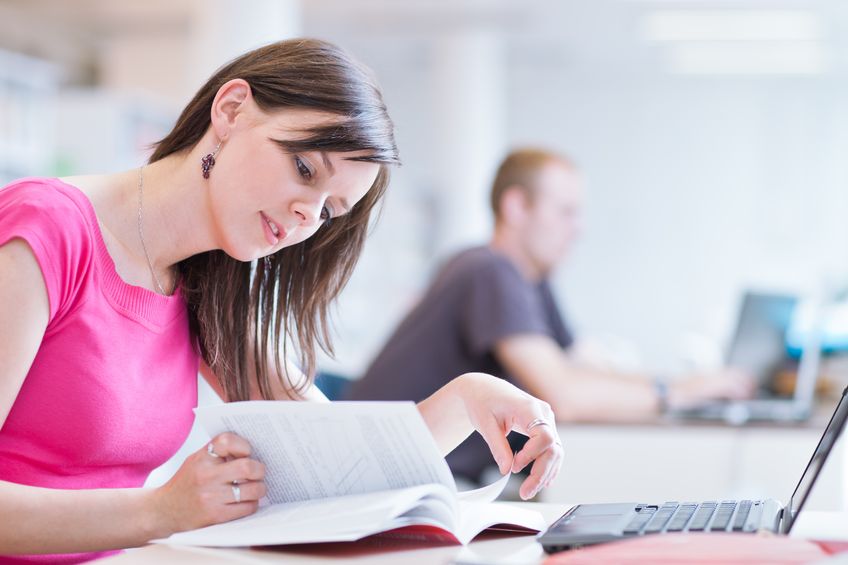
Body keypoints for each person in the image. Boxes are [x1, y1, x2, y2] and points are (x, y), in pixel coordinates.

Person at [0, 40, 562, 563]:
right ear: (232, 109)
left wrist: (467, 398)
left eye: (329, 209)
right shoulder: (46, 230)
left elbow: (345, 467)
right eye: (303, 169)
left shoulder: (206, 285)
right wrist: (159, 510)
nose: (306, 217)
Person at [346, 148, 752, 485]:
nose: (579, 229)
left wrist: (685, 386)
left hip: (431, 477)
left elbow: (583, 371)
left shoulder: (531, 280)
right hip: (378, 479)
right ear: (516, 207)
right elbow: (566, 396)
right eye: (566, 212)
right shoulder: (488, 271)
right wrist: (683, 393)